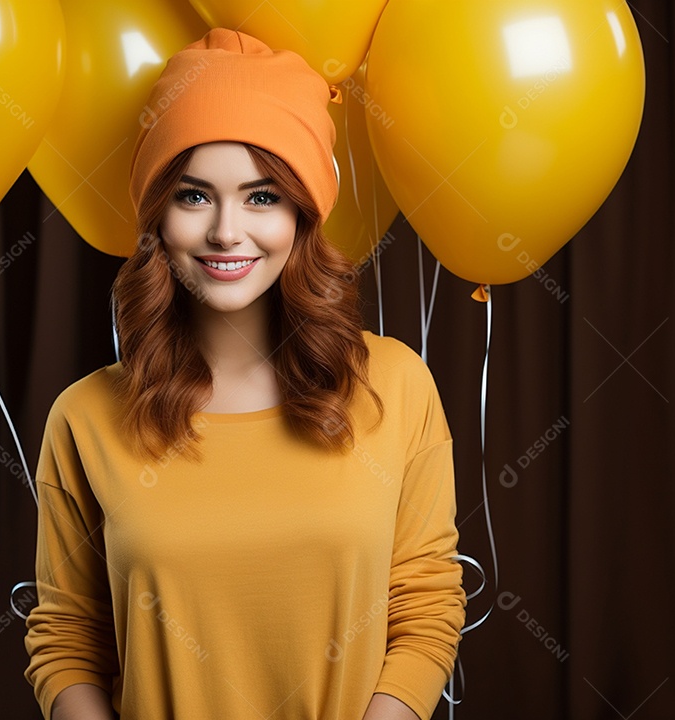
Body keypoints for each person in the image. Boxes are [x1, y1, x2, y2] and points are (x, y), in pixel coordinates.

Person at [24, 27, 465, 720]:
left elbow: (426, 603)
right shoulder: (85, 415)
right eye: (194, 196)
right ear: (156, 214)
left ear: (302, 212)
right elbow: (67, 637)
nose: (227, 232)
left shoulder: (396, 384)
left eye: (262, 197)